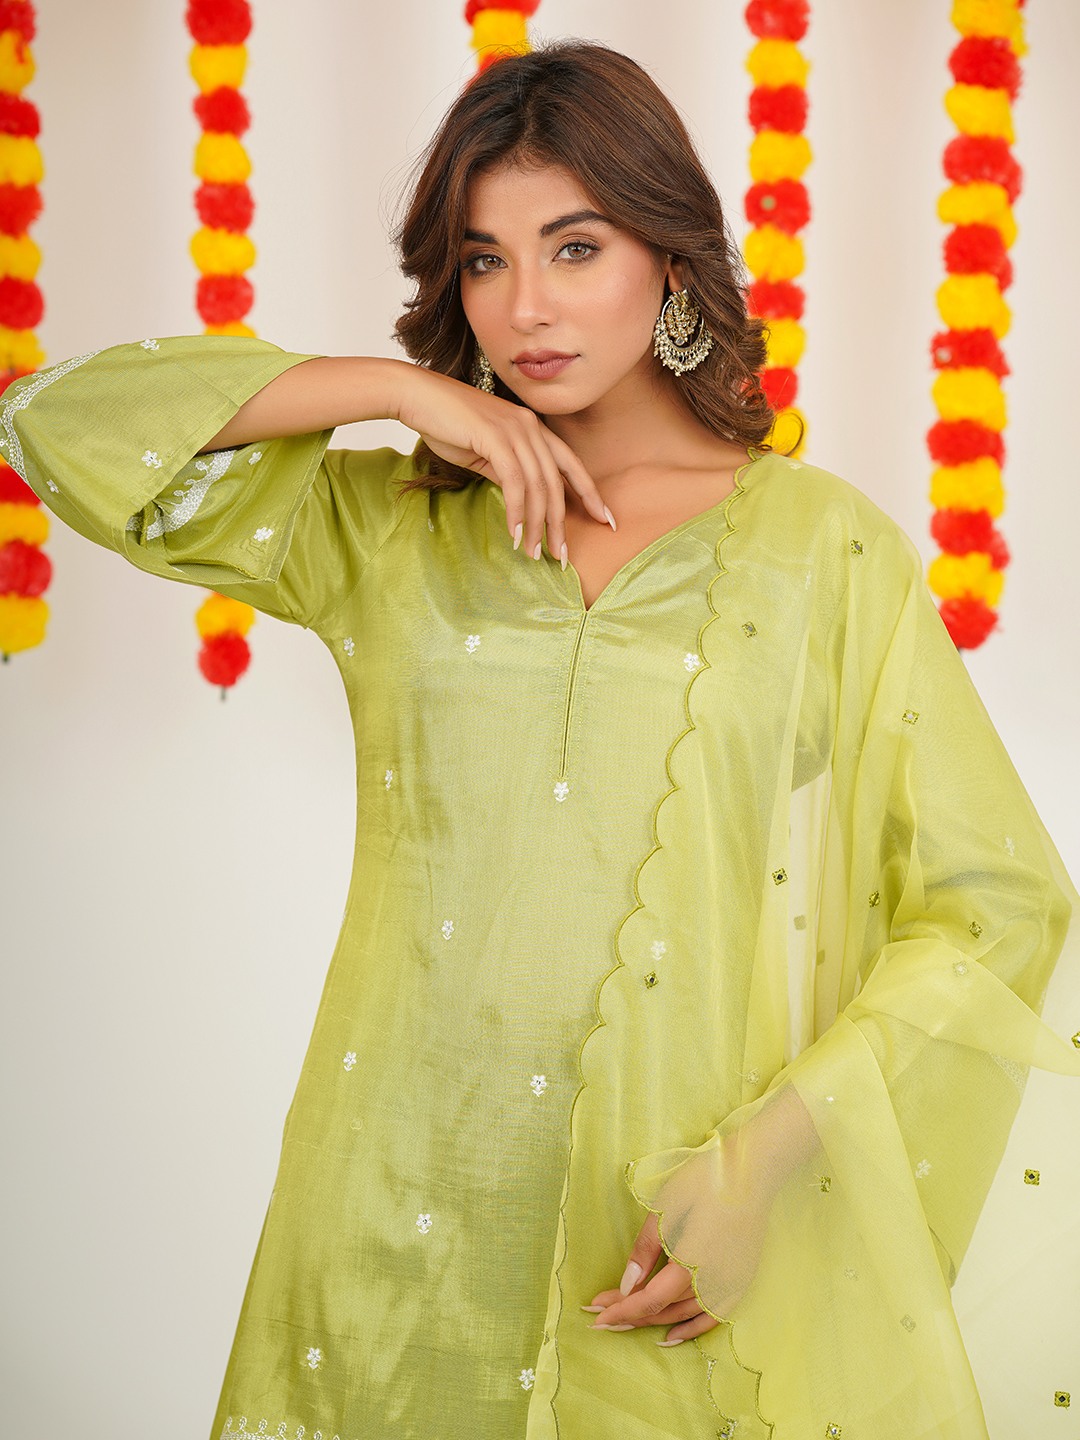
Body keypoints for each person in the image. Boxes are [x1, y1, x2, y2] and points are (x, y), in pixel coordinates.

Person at [4, 36, 1079, 1440]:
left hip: (665, 1239)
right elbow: (51, 422)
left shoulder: (822, 551)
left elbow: (996, 904)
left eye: (575, 248)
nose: (526, 307)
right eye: (483, 261)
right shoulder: (387, 529)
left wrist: (761, 1166)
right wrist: (395, 392)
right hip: (386, 1231)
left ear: (670, 261)